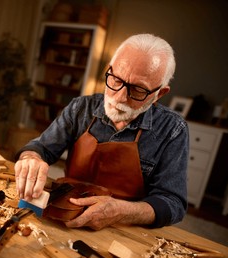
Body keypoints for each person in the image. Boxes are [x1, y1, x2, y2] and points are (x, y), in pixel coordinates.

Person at [14, 33, 188, 230]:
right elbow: (41, 147)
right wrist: (31, 158)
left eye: (138, 90)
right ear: (109, 70)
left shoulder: (172, 129)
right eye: (116, 80)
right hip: (65, 214)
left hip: (122, 228)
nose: (120, 97)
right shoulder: (80, 108)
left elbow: (173, 203)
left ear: (159, 94)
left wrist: (122, 211)